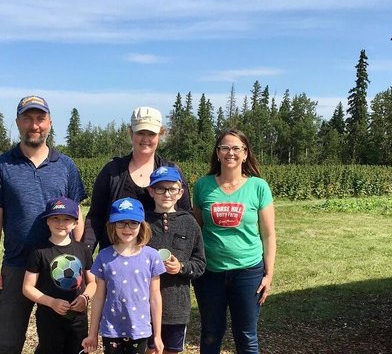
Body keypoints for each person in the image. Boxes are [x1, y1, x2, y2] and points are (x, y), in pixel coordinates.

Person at [0, 95, 87, 354]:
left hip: (59, 266)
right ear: (18, 122)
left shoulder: (65, 166)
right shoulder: (1, 165)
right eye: (27, 118)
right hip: (18, 265)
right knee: (6, 342)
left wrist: (76, 257)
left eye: (40, 118)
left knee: (60, 342)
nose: (34, 125)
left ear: (50, 122)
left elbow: (78, 214)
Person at [192, 129, 276, 354]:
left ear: (246, 153)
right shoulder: (202, 186)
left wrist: (269, 274)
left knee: (246, 336)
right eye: (225, 148)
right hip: (210, 273)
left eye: (237, 148)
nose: (231, 152)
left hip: (248, 273)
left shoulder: (258, 187)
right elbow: (195, 232)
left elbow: (268, 235)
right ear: (217, 153)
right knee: (210, 333)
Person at [83, 106, 192, 252]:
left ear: (160, 134)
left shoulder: (172, 171)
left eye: (151, 134)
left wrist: (186, 259)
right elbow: (96, 217)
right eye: (141, 132)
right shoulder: (113, 171)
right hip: (116, 261)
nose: (145, 139)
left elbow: (185, 215)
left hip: (161, 263)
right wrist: (87, 255)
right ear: (131, 133)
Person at [81, 197, 166, 354]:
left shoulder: (151, 256)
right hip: (111, 330)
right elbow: (99, 297)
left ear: (142, 225)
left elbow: (155, 297)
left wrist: (158, 335)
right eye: (121, 222)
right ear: (113, 226)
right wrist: (92, 334)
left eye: (133, 222)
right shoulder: (104, 256)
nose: (127, 228)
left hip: (140, 330)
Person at [23, 197, 96, 354]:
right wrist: (51, 302)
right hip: (49, 319)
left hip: (77, 319)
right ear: (47, 221)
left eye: (67, 219)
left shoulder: (83, 250)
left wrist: (85, 298)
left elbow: (92, 283)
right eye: (55, 218)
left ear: (75, 223)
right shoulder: (39, 251)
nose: (61, 223)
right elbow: (27, 287)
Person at [145, 167, 206, 354]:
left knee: (171, 350)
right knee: (149, 350)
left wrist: (181, 267)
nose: (166, 194)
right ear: (150, 191)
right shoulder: (142, 223)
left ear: (180, 193)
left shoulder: (189, 223)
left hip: (177, 307)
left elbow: (200, 263)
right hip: (144, 306)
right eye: (160, 189)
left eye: (172, 189)